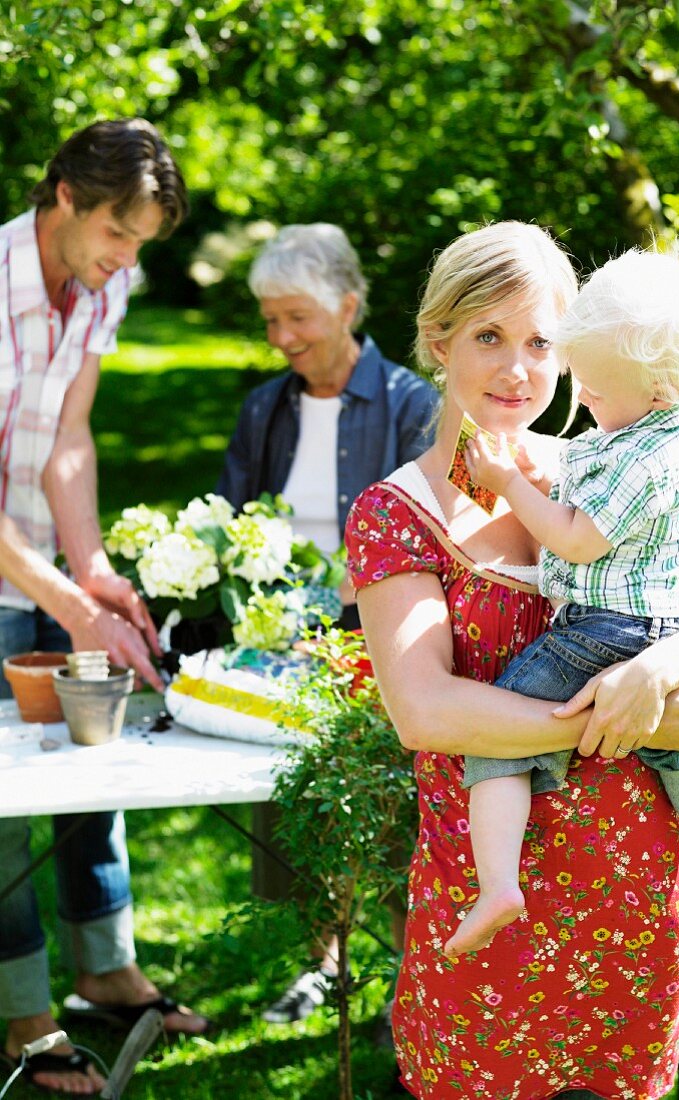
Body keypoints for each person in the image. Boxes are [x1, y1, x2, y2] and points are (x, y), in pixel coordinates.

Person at [344, 221, 679, 1099]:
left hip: (639, 886)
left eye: (542, 341)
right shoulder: (395, 514)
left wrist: (659, 672)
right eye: (489, 338)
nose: (518, 369)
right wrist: (624, 717)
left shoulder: (609, 467)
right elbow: (424, 709)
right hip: (491, 897)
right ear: (438, 342)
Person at [447, 244, 679, 979]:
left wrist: (506, 478)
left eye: (593, 390)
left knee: (498, 738)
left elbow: (574, 535)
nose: (583, 400)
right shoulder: (676, 435)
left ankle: (496, 884)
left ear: (655, 389)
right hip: (669, 628)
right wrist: (543, 471)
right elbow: (593, 472)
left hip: (608, 631)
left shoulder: (645, 455)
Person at [0, 118, 207, 1096]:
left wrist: (90, 570)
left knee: (93, 762)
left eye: (142, 243)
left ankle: (106, 966)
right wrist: (65, 600)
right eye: (119, 235)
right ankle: (27, 1013)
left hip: (41, 559)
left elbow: (69, 434)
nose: (129, 261)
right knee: (0, 799)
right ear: (67, 198)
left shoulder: (103, 283)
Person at [216, 222, 439, 1023]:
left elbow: (440, 531)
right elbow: (231, 521)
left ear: (347, 306)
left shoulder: (415, 405)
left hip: (380, 644)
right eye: (271, 321)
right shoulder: (265, 409)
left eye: (296, 319)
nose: (281, 339)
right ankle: (326, 964)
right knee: (300, 810)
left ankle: (412, 987)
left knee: (397, 816)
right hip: (279, 646)